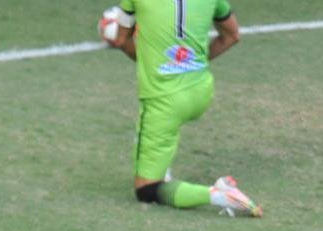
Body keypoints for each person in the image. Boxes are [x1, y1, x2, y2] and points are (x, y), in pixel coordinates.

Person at [105, 0, 263, 217]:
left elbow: (121, 39)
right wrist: (191, 63)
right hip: (200, 91)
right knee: (161, 136)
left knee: (147, 190)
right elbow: (232, 36)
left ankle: (219, 195)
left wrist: (149, 61)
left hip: (165, 100)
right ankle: (162, 168)